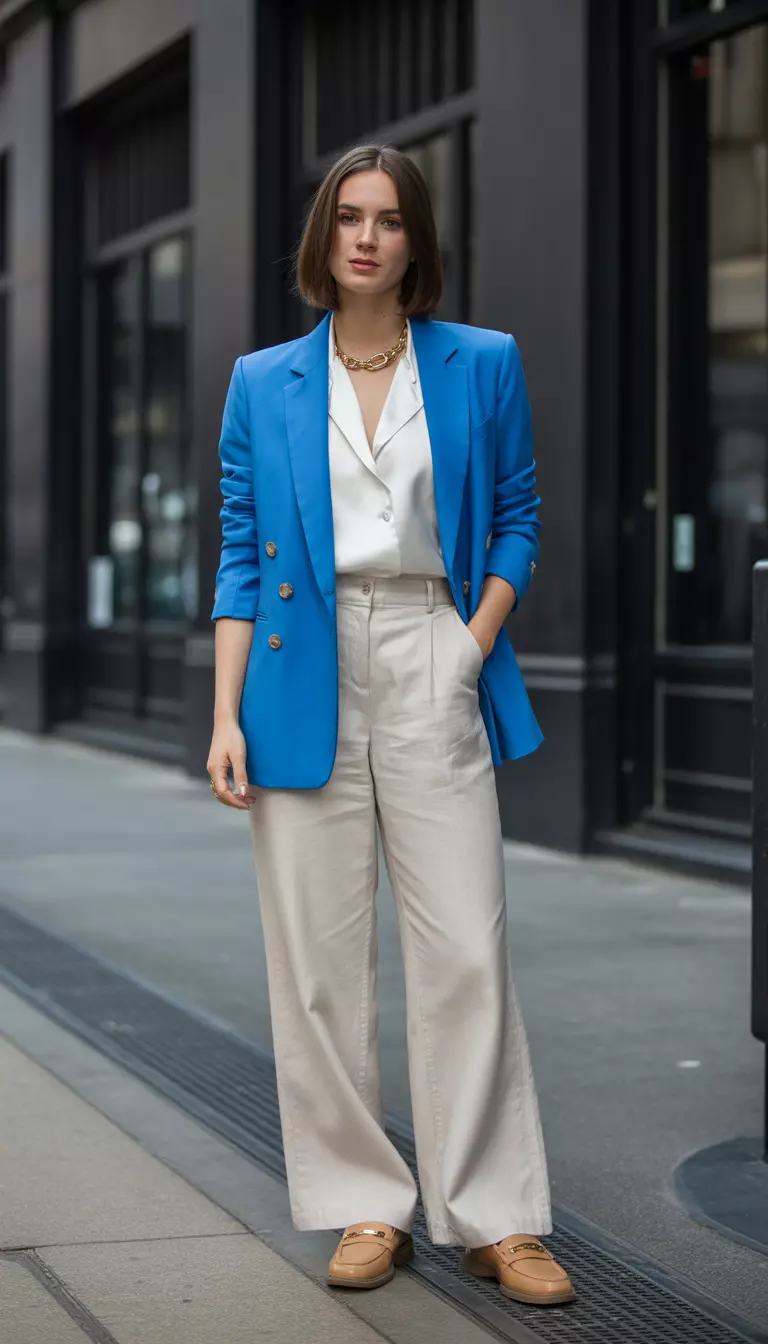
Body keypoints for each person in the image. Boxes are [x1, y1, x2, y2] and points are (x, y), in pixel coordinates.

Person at [206, 143, 575, 1307]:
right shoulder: (263, 380)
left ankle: (497, 1217)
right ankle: (367, 1203)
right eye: (349, 218)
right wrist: (223, 716)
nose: (368, 237)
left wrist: (471, 647)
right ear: (323, 239)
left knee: (465, 942)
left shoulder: (482, 363)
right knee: (316, 962)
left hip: (432, 646)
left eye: (390, 220)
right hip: (294, 666)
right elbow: (236, 551)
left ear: (417, 242)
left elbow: (516, 514)